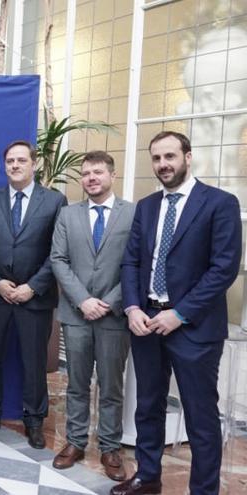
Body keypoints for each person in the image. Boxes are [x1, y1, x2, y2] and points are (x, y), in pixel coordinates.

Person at [114, 131, 242, 495]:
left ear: (188, 156)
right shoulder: (148, 205)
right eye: (156, 158)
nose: (162, 165)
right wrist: (133, 306)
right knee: (148, 406)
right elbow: (132, 261)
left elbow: (224, 269)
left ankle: (203, 490)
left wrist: (180, 313)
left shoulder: (220, 203)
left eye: (170, 156)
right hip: (147, 322)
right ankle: (148, 477)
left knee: (200, 416)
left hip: (194, 328)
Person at [0, 140, 66, 449]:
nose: (15, 165)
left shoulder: (54, 201)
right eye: (10, 160)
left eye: (21, 160)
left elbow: (58, 252)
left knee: (34, 363)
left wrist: (33, 286)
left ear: (34, 164)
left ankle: (35, 420)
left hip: (35, 297)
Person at [50, 151, 134, 481]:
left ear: (112, 175)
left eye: (97, 172)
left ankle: (110, 447)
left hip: (114, 316)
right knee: (77, 384)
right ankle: (75, 442)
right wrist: (84, 300)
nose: (91, 178)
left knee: (112, 386)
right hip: (76, 314)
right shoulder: (68, 215)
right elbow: (58, 260)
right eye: (85, 173)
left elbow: (135, 263)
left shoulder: (133, 213)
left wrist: (109, 301)